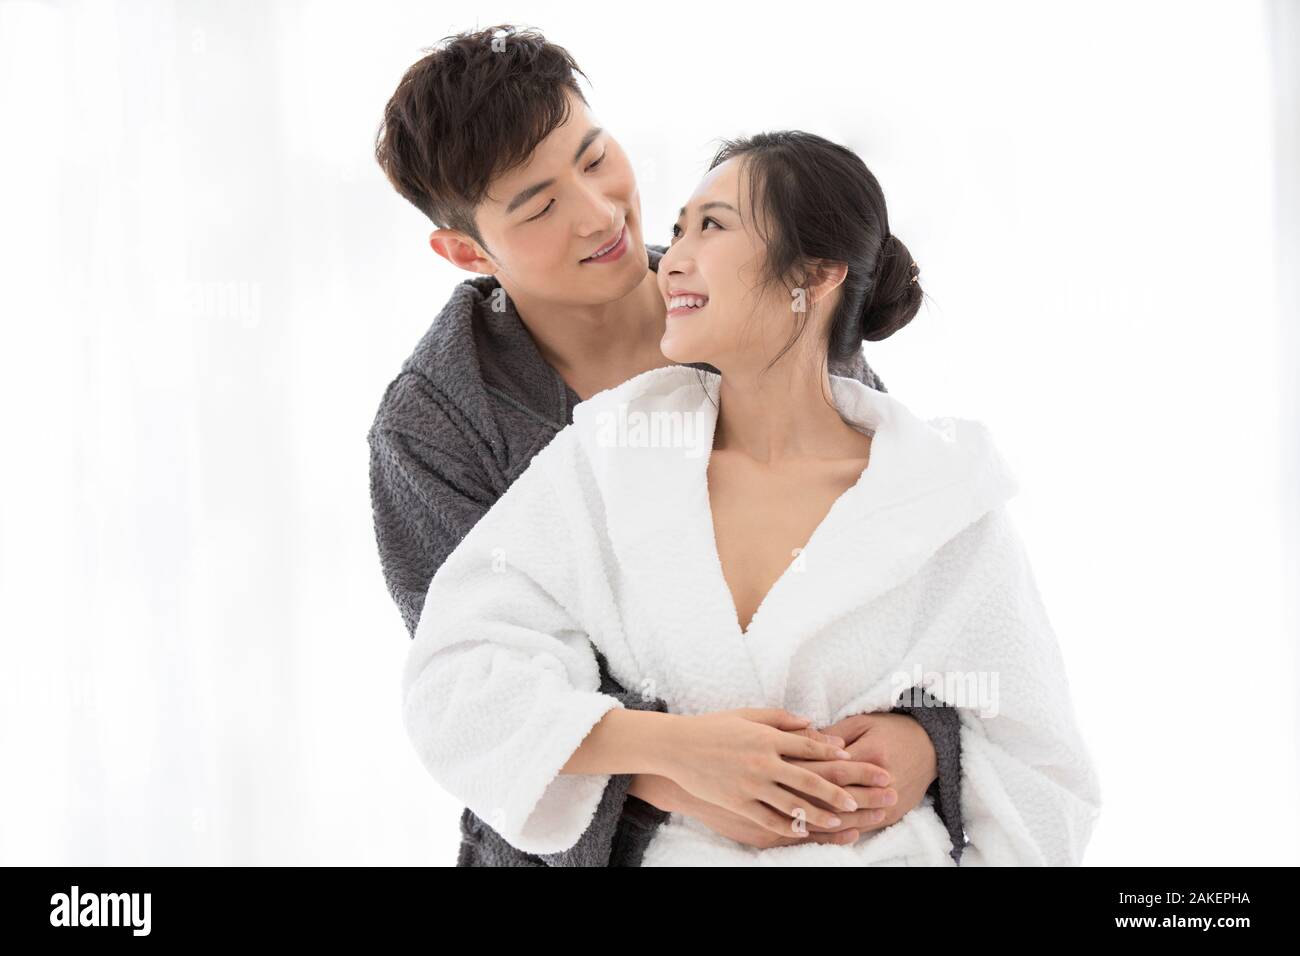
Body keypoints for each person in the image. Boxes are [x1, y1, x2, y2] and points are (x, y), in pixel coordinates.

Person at [401, 128, 1102, 865]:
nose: (669, 261)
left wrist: (927, 743)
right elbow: (456, 678)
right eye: (677, 231)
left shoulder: (940, 501)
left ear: (817, 273)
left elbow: (1040, 771)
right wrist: (668, 752)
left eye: (712, 227)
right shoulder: (607, 457)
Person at [370, 24, 965, 866]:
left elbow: (907, 569)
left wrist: (920, 739)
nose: (598, 212)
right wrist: (675, 760)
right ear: (465, 249)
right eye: (538, 206)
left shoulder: (758, 297)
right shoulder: (436, 424)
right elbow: (474, 690)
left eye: (593, 156)